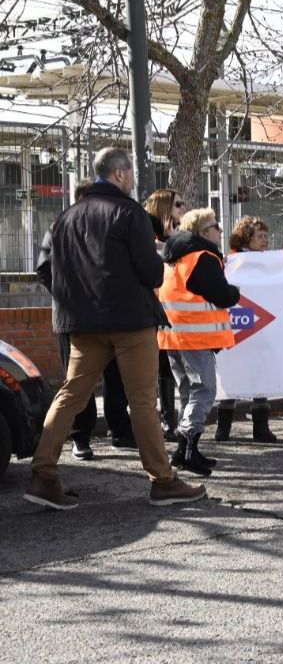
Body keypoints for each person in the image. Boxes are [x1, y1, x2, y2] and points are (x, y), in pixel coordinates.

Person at [25, 147, 206, 509]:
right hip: (130, 321)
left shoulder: (65, 217)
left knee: (70, 395)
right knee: (142, 401)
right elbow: (151, 273)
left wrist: (72, 298)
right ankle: (163, 481)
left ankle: (43, 474)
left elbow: (44, 267)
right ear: (120, 174)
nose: (134, 178)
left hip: (82, 324)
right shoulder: (130, 213)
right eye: (132, 172)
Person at [36, 182, 135, 460]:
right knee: (79, 380)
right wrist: (71, 296)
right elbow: (44, 269)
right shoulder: (62, 225)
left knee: (114, 375)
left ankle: (119, 431)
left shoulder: (106, 226)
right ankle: (80, 436)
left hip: (107, 315)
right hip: (76, 318)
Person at [159, 208, 242, 478]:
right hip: (195, 337)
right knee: (204, 391)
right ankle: (187, 448)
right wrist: (235, 292)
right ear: (204, 232)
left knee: (188, 392)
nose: (221, 230)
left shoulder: (175, 256)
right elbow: (222, 295)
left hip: (173, 337)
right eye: (216, 226)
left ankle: (185, 451)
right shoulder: (203, 257)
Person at [213, 216, 283, 443]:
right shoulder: (229, 262)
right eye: (259, 236)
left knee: (261, 375)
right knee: (232, 374)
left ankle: (261, 428)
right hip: (238, 329)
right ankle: (223, 428)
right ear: (245, 238)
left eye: (266, 236)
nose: (265, 240)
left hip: (261, 331)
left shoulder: (269, 262)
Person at [144, 188, 187, 442]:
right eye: (177, 204)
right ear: (164, 207)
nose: (183, 208)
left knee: (171, 367)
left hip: (176, 310)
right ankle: (166, 420)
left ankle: (173, 421)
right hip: (152, 309)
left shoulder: (181, 234)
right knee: (160, 367)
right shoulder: (147, 235)